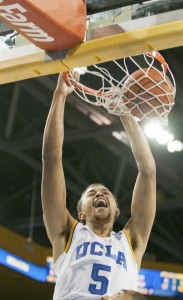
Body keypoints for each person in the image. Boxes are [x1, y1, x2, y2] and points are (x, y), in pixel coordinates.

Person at [41, 72, 156, 300]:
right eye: (91, 193)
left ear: (117, 210)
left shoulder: (131, 242)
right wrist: (59, 95)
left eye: (104, 193)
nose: (99, 194)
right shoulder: (67, 233)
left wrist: (124, 113)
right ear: (81, 212)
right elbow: (51, 158)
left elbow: (148, 171)